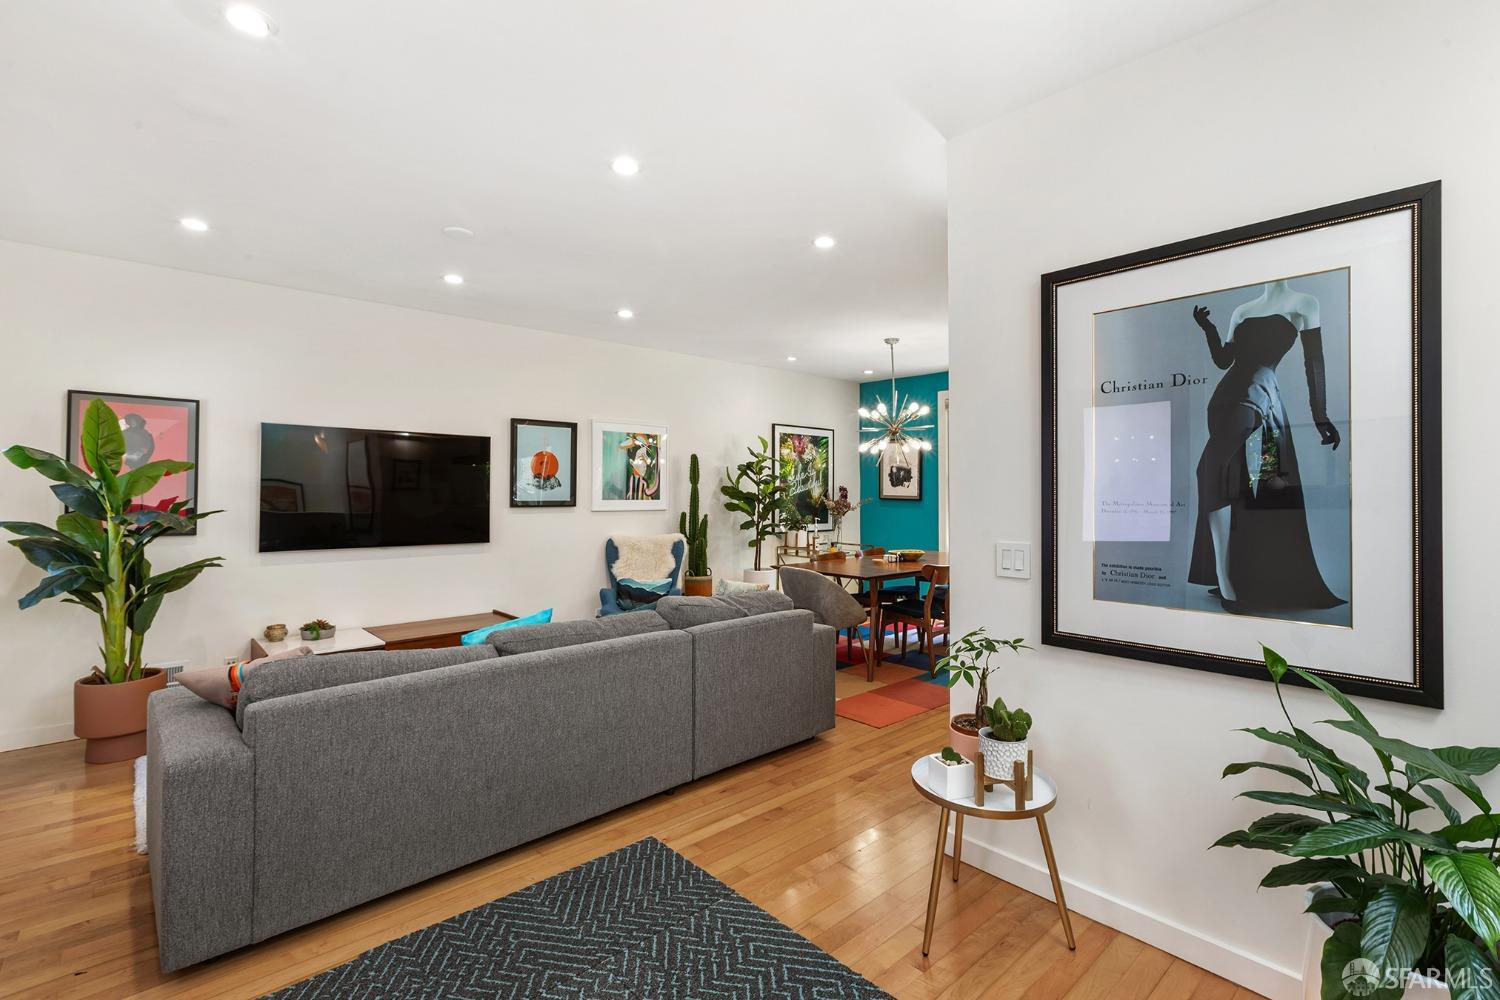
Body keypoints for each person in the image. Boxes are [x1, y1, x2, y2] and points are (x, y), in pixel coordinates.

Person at [1187, 281, 1344, 613]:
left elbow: (1314, 362)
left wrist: (1320, 416)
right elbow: (1223, 361)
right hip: (1225, 398)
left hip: (1258, 395)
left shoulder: (1304, 303)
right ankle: (1232, 578)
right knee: (1230, 478)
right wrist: (1208, 328)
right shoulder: (1241, 311)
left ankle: (1233, 582)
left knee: (1241, 477)